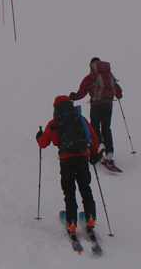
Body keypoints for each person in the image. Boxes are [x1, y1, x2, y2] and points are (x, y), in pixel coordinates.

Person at [36, 95, 101, 235]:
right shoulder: (80, 119)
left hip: (66, 159)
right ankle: (90, 218)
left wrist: (38, 137)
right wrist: (94, 153)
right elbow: (93, 136)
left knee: (69, 190)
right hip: (83, 156)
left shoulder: (54, 122)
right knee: (85, 187)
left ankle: (71, 222)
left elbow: (43, 143)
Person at [70, 57, 123, 169]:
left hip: (96, 105)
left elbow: (82, 91)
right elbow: (118, 90)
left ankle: (99, 145)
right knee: (106, 128)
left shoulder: (91, 77)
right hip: (108, 105)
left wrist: (74, 97)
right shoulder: (109, 76)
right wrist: (118, 95)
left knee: (94, 126)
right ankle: (109, 153)